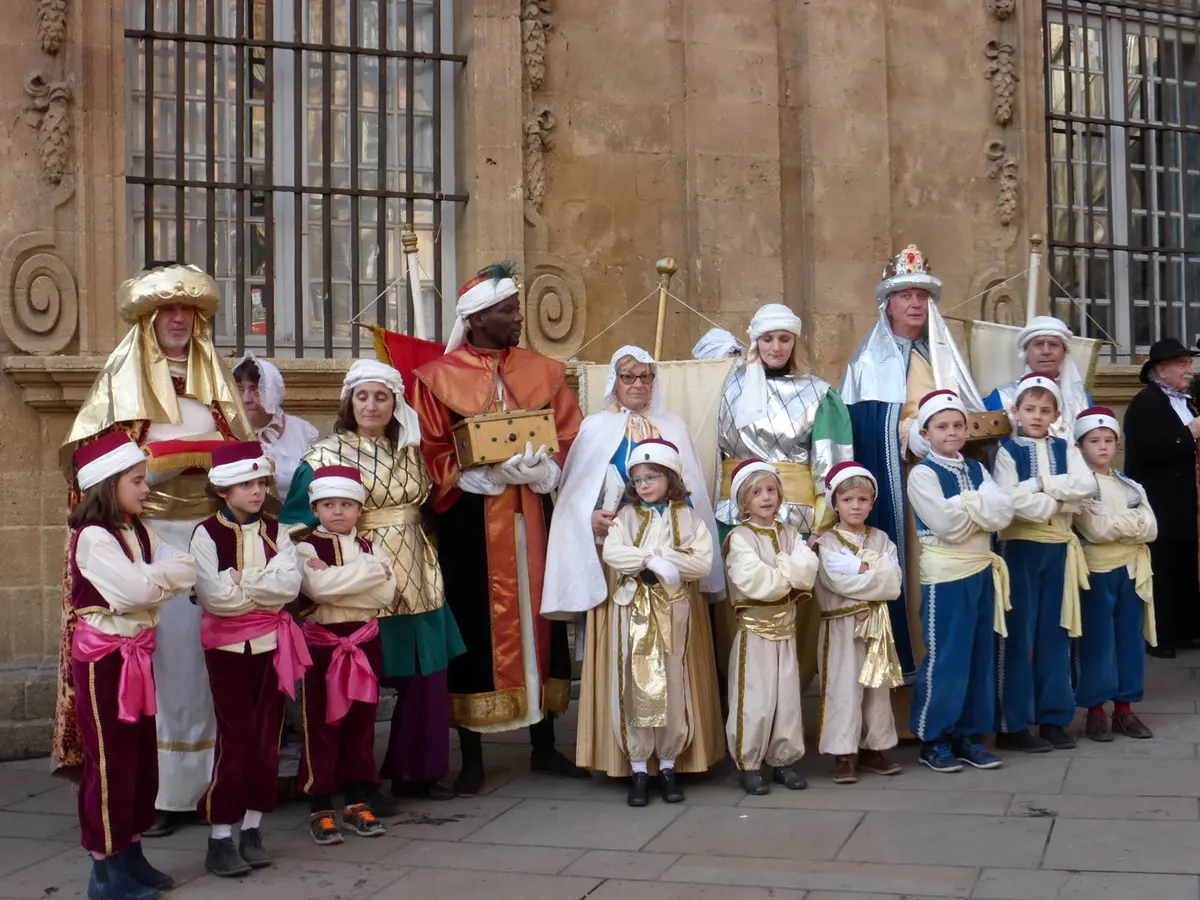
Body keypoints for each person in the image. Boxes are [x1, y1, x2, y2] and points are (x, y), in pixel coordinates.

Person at [57, 262, 250, 837]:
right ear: (147, 322)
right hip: (143, 541)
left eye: (188, 311)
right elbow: (93, 471)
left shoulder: (215, 391)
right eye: (167, 311)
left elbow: (240, 458)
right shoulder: (121, 389)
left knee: (203, 663)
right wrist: (157, 473)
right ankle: (161, 793)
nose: (178, 320)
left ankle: (208, 784)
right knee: (156, 664)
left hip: (205, 537)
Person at [410, 263, 587, 795]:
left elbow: (570, 434)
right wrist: (476, 476)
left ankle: (544, 743)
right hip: (469, 521)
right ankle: (474, 755)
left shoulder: (546, 371)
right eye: (508, 310)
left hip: (534, 512)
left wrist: (548, 469)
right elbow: (429, 452)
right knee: (473, 624)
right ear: (479, 317)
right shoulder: (437, 379)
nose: (517, 319)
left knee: (541, 616)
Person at [281, 360, 463, 805]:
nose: (371, 405)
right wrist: (316, 568)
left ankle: (414, 771)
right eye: (362, 396)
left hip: (417, 574)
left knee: (426, 676)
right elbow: (294, 525)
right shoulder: (323, 456)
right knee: (350, 682)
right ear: (348, 402)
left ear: (395, 403)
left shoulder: (411, 450)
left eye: (381, 396)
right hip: (355, 580)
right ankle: (343, 780)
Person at [542, 346, 725, 777]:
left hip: (673, 555)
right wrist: (591, 516)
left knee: (675, 654)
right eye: (629, 377)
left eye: (645, 377)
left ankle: (679, 756)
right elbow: (573, 495)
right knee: (626, 654)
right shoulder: (595, 429)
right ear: (614, 382)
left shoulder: (673, 426)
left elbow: (691, 491)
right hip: (619, 557)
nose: (638, 385)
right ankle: (627, 758)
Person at [841, 245, 985, 681]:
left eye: (922, 295)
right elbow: (867, 426)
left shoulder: (941, 357)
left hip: (952, 483)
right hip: (904, 487)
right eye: (905, 295)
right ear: (888, 303)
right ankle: (913, 685)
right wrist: (912, 437)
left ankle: (957, 684)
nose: (916, 303)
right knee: (916, 575)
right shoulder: (868, 361)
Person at [67, 432, 197, 900]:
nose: (147, 489)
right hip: (107, 663)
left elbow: (185, 567)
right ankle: (104, 868)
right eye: (138, 481)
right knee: (110, 762)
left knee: (141, 759)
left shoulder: (139, 530)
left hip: (138, 654)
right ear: (108, 484)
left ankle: (132, 851)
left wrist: (148, 581)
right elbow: (134, 594)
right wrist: (153, 583)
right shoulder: (93, 538)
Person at [715, 303, 854, 691]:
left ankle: (788, 697)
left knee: (794, 606)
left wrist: (826, 524)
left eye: (784, 339)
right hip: (734, 513)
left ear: (795, 342)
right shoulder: (727, 386)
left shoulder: (819, 393)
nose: (776, 346)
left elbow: (832, 467)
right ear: (755, 341)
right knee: (738, 605)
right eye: (768, 338)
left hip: (796, 517)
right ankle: (740, 698)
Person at [190, 441, 307, 878]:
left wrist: (243, 582)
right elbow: (215, 598)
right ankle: (220, 836)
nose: (257, 491)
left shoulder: (278, 531)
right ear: (223, 489)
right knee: (236, 740)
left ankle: (253, 829)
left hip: (273, 648)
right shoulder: (206, 533)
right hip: (226, 652)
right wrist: (255, 588)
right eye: (245, 483)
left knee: (267, 737)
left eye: (260, 482)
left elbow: (290, 587)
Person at [600, 439, 715, 806]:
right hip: (633, 608)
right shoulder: (627, 517)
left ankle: (667, 765)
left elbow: (701, 564)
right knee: (634, 684)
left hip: (673, 610)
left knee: (672, 680)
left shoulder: (688, 519)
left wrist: (665, 556)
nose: (644, 485)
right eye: (637, 480)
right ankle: (637, 767)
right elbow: (613, 552)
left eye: (651, 477)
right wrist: (650, 561)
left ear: (670, 477)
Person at [906, 390, 1014, 774]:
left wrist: (967, 504)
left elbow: (1002, 513)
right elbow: (947, 526)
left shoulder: (976, 468)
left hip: (981, 569)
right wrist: (976, 505)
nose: (951, 433)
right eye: (942, 426)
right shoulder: (922, 474)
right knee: (947, 656)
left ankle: (968, 734)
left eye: (957, 425)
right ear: (926, 432)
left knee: (978, 655)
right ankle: (934, 736)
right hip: (947, 574)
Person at [992, 374, 1097, 753]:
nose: (1037, 416)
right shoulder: (1007, 452)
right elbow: (1008, 503)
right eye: (1029, 409)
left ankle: (1053, 717)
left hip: (1058, 551)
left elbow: (1085, 486)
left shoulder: (1065, 447)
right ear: (1016, 412)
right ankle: (1013, 724)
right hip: (1020, 550)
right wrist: (1054, 496)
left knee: (1057, 632)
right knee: (1017, 636)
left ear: (1055, 414)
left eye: (1044, 410)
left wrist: (1036, 486)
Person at [295, 465, 397, 844]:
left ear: (358, 509)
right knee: (321, 725)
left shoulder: (370, 546)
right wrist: (368, 574)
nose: (337, 511)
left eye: (345, 504)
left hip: (364, 641)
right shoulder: (305, 547)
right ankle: (320, 805)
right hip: (323, 646)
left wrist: (343, 581)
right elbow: (318, 589)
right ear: (316, 508)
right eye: (328, 504)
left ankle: (357, 800)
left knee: (361, 723)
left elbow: (386, 594)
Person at [721, 460, 816, 795]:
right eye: (756, 492)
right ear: (743, 501)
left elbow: (808, 571)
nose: (766, 497)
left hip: (786, 629)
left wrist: (785, 570)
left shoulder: (790, 534)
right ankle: (749, 763)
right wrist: (788, 571)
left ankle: (783, 759)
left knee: (786, 698)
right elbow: (756, 582)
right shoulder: (740, 538)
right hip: (755, 631)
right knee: (755, 699)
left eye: (771, 490)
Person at [811, 462, 903, 785]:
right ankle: (843, 752)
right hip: (841, 626)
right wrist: (871, 572)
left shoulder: (881, 539)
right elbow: (837, 581)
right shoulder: (827, 543)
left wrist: (865, 571)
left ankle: (874, 747)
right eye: (847, 499)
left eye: (862, 500)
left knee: (877, 686)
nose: (855, 506)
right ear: (835, 503)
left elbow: (893, 584)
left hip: (876, 624)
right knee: (843, 686)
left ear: (871, 504)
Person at [1073, 407, 1157, 742]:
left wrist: (1122, 524)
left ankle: (1125, 709)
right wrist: (1131, 523)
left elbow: (1151, 527)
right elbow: (1095, 529)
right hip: (1098, 570)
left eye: (1109, 440)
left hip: (1132, 571)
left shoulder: (1129, 485)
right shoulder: (1081, 487)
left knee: (1129, 639)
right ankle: (1095, 711)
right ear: (1080, 446)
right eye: (1094, 441)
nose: (1103, 447)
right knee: (1098, 641)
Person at [1123, 337, 1200, 658]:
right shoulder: (1145, 404)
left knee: (1185, 561)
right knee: (1162, 566)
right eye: (1182, 364)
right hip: (1158, 498)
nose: (1189, 369)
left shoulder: (1188, 401)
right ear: (1161, 369)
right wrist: (1189, 434)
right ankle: (1159, 636)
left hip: (1183, 499)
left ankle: (1185, 630)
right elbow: (1146, 450)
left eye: (1189, 363)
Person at [984, 316, 1092, 440]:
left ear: (1064, 352)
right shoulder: (1003, 397)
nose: (1046, 351)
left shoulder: (1081, 399)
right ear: (1025, 352)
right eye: (1039, 344)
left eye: (1053, 344)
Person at [233, 352, 319, 498]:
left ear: (272, 391)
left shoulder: (305, 433)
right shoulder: (227, 432)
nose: (246, 399)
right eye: (240, 389)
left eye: (255, 389)